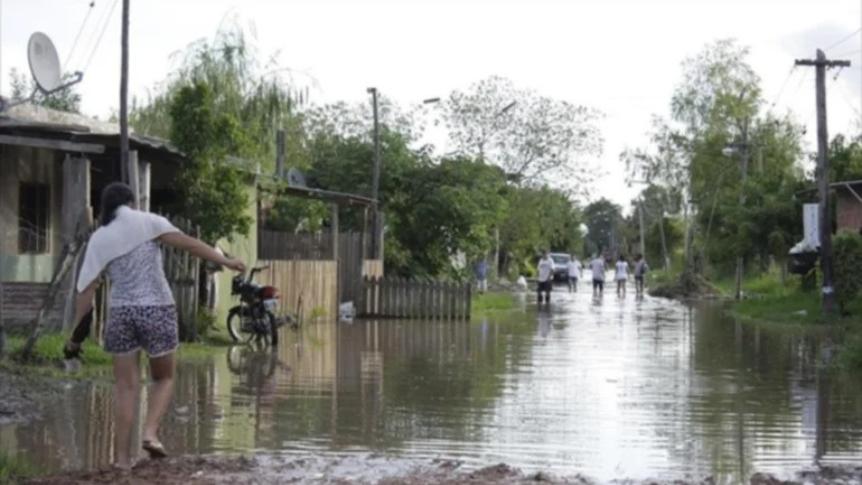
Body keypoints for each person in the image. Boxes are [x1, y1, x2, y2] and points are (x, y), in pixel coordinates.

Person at [65, 182, 245, 471]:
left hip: (121, 314)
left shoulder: (100, 238)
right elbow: (190, 244)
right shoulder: (148, 222)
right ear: (131, 202)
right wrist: (226, 260)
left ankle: (122, 460)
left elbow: (84, 291)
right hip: (156, 309)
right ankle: (150, 432)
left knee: (125, 387)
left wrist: (74, 340)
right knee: (164, 378)